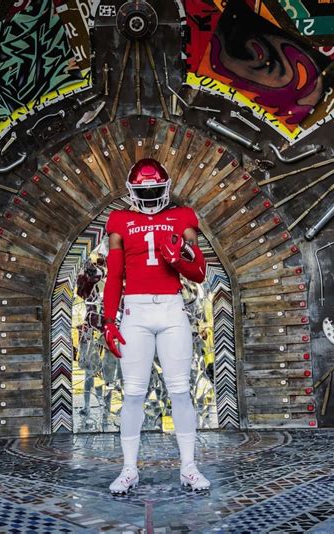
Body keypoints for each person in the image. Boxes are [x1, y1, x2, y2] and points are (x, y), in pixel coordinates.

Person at [103, 157, 211, 494]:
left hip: (171, 308)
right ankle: (129, 469)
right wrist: (109, 320)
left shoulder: (182, 216)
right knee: (133, 393)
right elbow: (114, 274)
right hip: (135, 311)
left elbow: (199, 272)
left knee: (180, 390)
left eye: (155, 190)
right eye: (144, 191)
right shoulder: (120, 219)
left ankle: (188, 467)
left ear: (165, 188)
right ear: (132, 191)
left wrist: (178, 259)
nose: (150, 196)